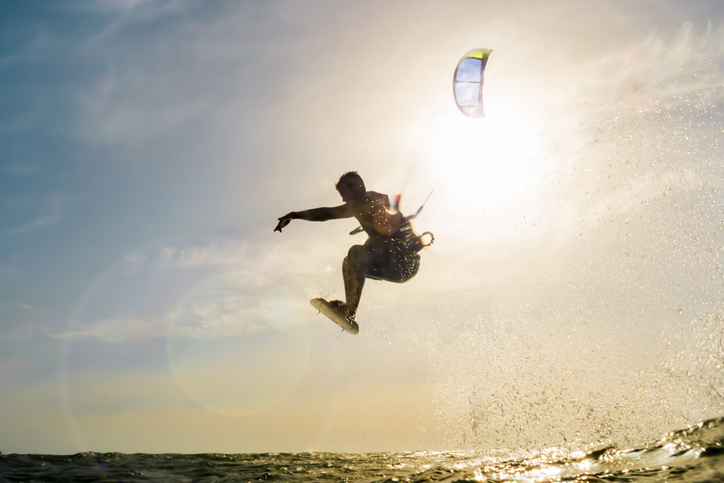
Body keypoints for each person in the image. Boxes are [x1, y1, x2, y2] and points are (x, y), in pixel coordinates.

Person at [274, 171, 422, 322]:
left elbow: (326, 213)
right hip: (399, 266)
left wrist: (294, 215)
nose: (344, 199)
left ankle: (350, 309)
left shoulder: (359, 203)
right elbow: (387, 202)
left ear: (357, 188)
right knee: (350, 261)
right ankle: (349, 307)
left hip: (403, 264)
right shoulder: (371, 197)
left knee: (356, 253)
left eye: (344, 193)